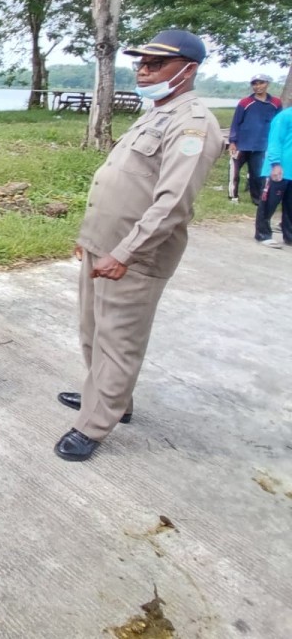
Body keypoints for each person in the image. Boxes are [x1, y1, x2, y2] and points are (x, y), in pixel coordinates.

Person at [55, 29, 223, 462]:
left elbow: (173, 204)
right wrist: (89, 239)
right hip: (103, 245)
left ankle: (94, 424)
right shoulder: (157, 112)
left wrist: (123, 253)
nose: (144, 71)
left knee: (118, 339)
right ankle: (111, 399)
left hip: (134, 256)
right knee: (92, 329)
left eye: (156, 64)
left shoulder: (193, 123)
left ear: (188, 70)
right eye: (142, 63)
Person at [228, 74, 281, 204]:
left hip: (261, 145)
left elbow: (278, 123)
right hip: (242, 144)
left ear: (267, 84)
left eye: (261, 83)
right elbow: (236, 122)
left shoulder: (275, 103)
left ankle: (256, 199)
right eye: (255, 84)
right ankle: (233, 196)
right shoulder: (245, 102)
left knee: (257, 174)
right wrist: (233, 141)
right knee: (234, 172)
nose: (258, 87)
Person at [255, 105, 292, 248]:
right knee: (269, 203)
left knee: (290, 206)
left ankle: (289, 236)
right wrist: (275, 164)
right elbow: (275, 141)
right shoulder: (284, 117)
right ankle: (263, 234)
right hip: (278, 168)